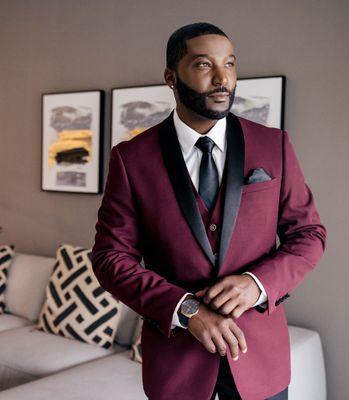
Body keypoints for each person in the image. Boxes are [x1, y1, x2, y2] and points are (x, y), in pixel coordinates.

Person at [92, 22, 327, 400]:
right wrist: (186, 309)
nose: (223, 78)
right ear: (171, 77)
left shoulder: (273, 145)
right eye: (204, 65)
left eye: (230, 64)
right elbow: (109, 258)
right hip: (176, 369)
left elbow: (309, 235)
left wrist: (257, 285)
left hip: (260, 364)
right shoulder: (131, 159)